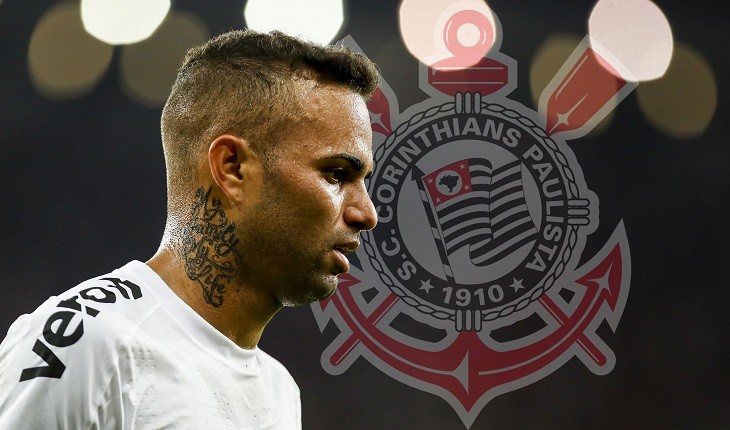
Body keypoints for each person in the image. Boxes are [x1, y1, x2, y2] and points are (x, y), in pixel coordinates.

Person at [0, 29, 379, 428]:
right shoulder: (89, 342)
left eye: (363, 181)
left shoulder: (279, 390)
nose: (366, 213)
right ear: (231, 168)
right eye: (337, 174)